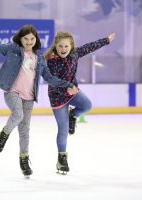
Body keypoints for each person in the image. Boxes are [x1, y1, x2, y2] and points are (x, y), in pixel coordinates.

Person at [0, 25, 77, 177]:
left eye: (32, 38)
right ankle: (4, 134)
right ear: (20, 38)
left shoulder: (39, 57)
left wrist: (68, 84)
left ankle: (24, 160)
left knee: (25, 130)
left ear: (36, 40)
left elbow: (49, 78)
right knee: (18, 115)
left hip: (29, 97)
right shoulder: (12, 49)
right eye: (26, 38)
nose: (29, 41)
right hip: (12, 92)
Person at [44, 32, 115, 174]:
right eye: (60, 46)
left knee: (87, 105)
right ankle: (61, 159)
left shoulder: (75, 54)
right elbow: (52, 80)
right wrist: (67, 87)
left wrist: (106, 40)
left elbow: (90, 47)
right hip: (57, 96)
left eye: (66, 46)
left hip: (72, 92)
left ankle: (73, 115)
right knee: (63, 130)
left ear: (71, 47)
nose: (63, 49)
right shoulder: (51, 60)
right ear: (55, 46)